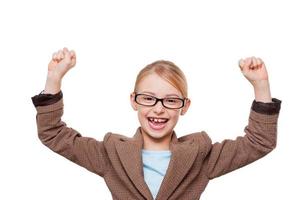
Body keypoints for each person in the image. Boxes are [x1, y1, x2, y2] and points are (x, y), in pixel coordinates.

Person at [31, 47, 281, 200]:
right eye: (149, 98)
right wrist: (54, 78)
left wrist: (261, 86)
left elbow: (260, 142)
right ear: (134, 101)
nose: (159, 108)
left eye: (171, 100)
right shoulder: (111, 153)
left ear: (185, 106)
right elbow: (53, 134)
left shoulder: (200, 156)